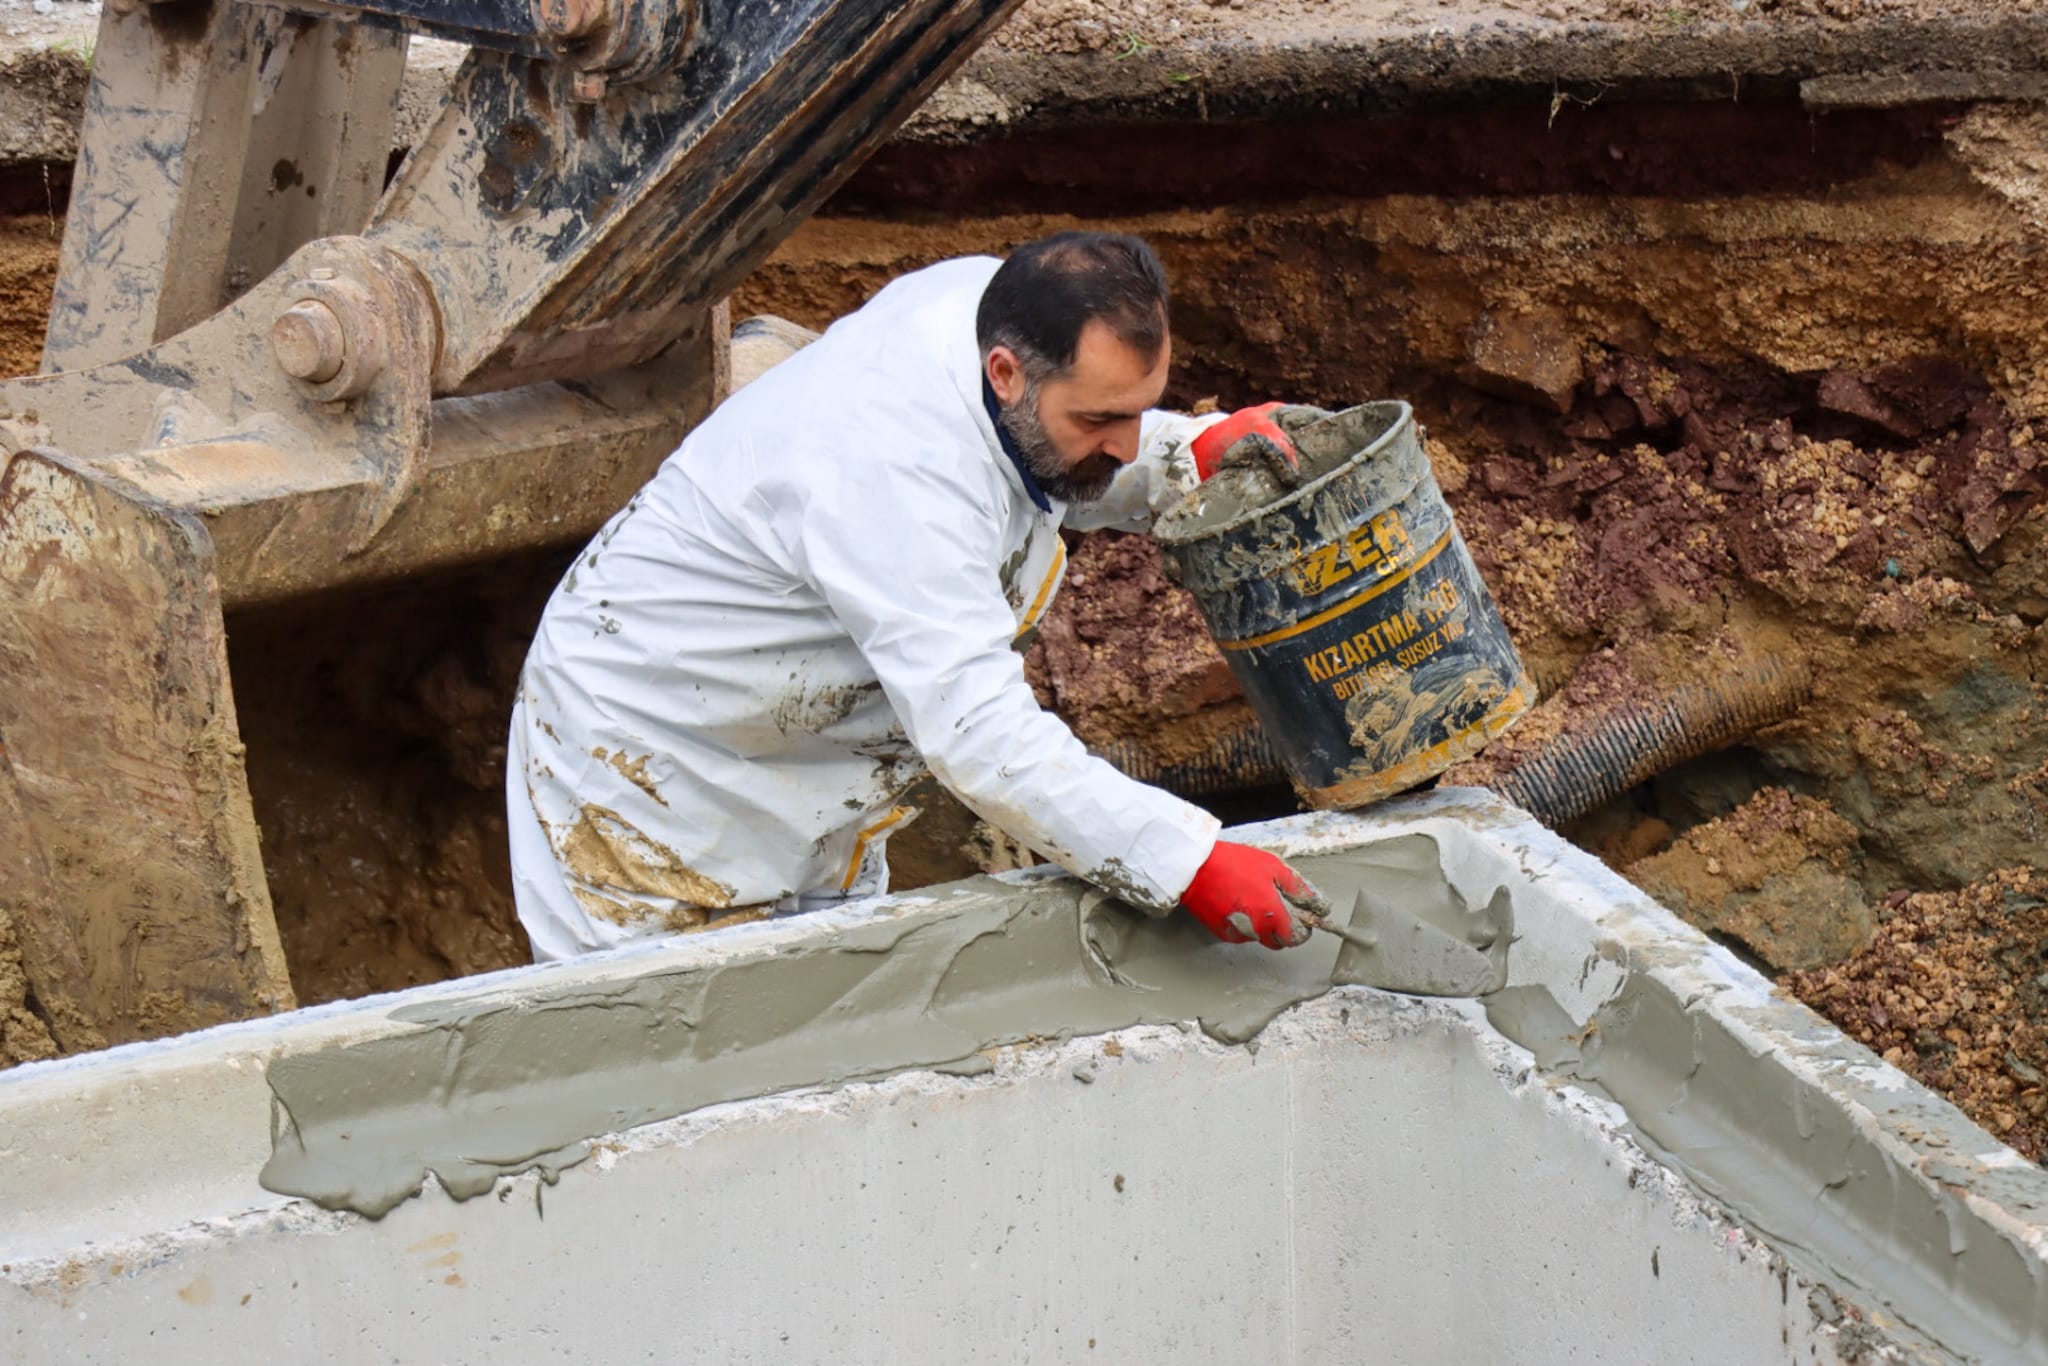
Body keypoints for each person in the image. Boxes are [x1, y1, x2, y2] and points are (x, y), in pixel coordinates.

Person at [506, 231, 1326, 961]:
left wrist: (1185, 452)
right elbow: (979, 734)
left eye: (1140, 412)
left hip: (791, 751)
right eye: (1102, 419)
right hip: (647, 771)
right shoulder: (894, 471)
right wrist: (1185, 861)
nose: (1125, 442)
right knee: (663, 1046)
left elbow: (1035, 462)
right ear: (1005, 373)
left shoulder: (994, 313)